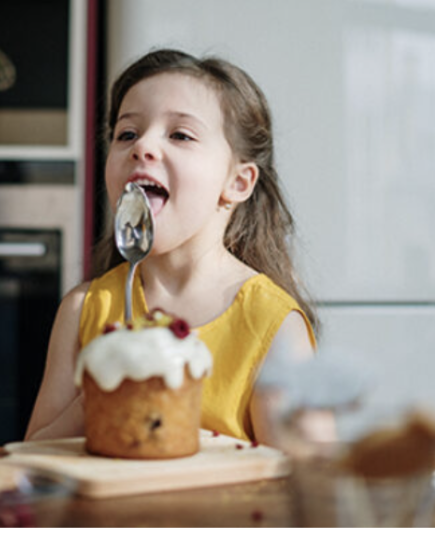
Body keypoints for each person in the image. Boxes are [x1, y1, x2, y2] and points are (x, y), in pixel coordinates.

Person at [25, 49, 317, 445]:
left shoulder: (273, 325)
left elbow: (307, 480)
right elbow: (33, 458)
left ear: (238, 183)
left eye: (180, 135)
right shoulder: (83, 311)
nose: (142, 146)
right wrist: (104, 394)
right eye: (126, 133)